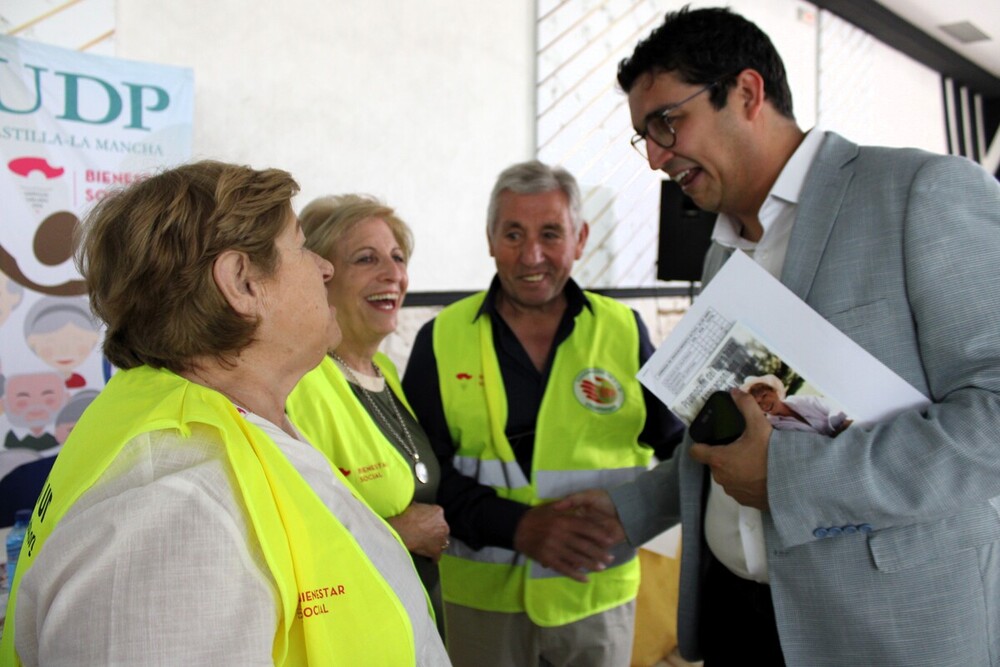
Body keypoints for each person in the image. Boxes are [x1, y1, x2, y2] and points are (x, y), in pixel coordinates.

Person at [561, 6, 1000, 666]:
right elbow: (739, 437)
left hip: (884, 628)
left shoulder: (919, 193)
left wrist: (792, 478)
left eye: (665, 123)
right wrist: (628, 510)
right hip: (740, 619)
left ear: (747, 93)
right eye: (642, 137)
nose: (654, 157)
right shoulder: (720, 256)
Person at [0, 161, 450, 666]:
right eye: (300, 246)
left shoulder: (231, 431)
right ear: (242, 283)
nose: (323, 268)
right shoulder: (167, 514)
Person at [403, 160, 685, 667]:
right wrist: (519, 527)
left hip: (595, 599)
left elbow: (682, 452)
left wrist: (636, 511)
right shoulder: (441, 339)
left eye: (551, 233)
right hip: (481, 609)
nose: (531, 255)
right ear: (490, 238)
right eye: (513, 233)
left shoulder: (625, 331)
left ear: (580, 238)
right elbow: (422, 477)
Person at [286, 194, 449, 633]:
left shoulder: (386, 371)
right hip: (353, 631)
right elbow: (288, 534)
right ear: (320, 276)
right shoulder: (299, 383)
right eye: (366, 259)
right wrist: (398, 533)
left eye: (398, 258)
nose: (393, 274)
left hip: (413, 619)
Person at [739, 374, 850, 436]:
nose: (764, 404)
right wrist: (837, 431)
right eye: (758, 403)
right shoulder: (775, 428)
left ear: (774, 390)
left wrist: (836, 423)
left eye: (764, 396)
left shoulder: (796, 400)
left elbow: (830, 405)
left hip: (846, 431)